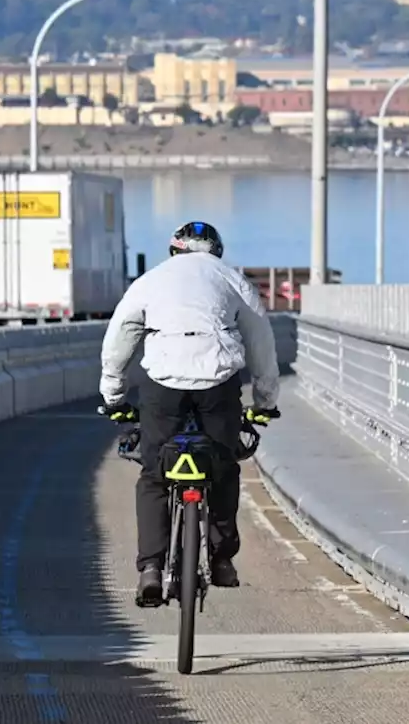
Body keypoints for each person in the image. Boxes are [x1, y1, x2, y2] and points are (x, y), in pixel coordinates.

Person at [99, 220, 281, 607]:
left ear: (174, 250)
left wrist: (114, 398)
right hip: (218, 384)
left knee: (153, 475)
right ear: (215, 250)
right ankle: (221, 559)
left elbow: (119, 340)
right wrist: (265, 403)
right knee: (224, 466)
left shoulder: (150, 281)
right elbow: (261, 343)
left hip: (163, 384)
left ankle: (150, 567)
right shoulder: (232, 280)